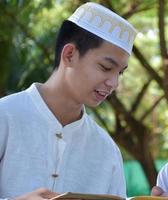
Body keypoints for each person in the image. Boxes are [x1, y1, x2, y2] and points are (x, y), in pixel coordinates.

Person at [0, 2, 137, 200]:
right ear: (70, 55)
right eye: (106, 67)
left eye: (120, 73)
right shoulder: (5, 117)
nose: (114, 83)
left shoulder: (106, 150)